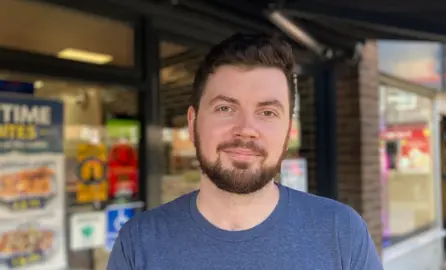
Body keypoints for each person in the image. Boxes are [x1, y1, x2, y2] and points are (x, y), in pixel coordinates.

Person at [107, 33, 383, 270]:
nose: (246, 129)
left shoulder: (342, 232)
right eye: (225, 108)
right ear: (193, 124)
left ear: (288, 133)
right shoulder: (138, 242)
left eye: (267, 112)